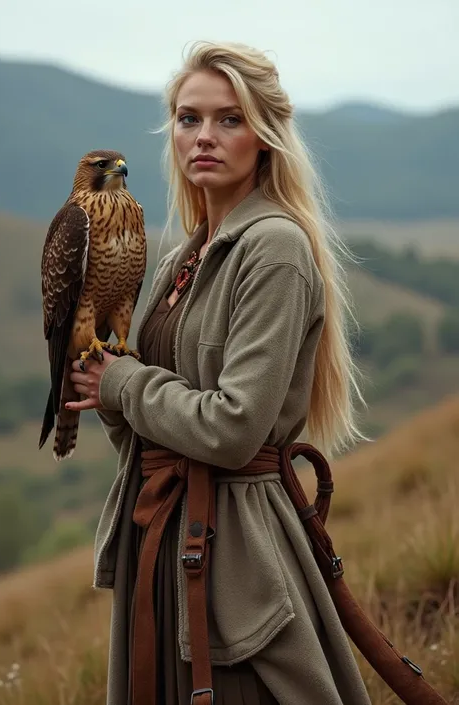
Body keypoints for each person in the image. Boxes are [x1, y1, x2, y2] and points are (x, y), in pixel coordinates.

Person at [67, 40, 372, 705]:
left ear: (264, 136)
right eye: (188, 118)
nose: (204, 136)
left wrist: (124, 385)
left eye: (229, 119)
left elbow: (234, 428)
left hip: (234, 555)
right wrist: (116, 394)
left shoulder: (276, 247)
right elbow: (150, 431)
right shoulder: (184, 251)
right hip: (167, 538)